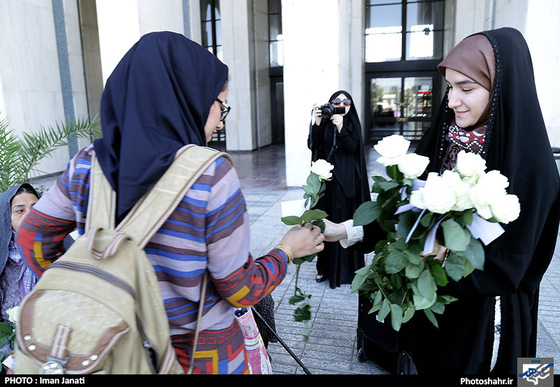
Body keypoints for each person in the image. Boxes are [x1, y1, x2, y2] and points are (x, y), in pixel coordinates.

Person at [17, 31, 325, 375]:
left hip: (111, 347)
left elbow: (33, 237)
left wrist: (93, 287)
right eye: (220, 104)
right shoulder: (211, 174)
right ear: (187, 98)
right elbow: (239, 289)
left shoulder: (87, 163)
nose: (222, 119)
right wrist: (287, 249)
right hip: (199, 357)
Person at [324, 28, 560, 375]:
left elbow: (513, 265)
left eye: (467, 88)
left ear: (501, 90)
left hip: (489, 326)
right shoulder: (444, 139)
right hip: (433, 310)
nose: (452, 101)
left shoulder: (533, 167)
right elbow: (402, 208)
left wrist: (446, 252)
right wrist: (345, 229)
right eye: (450, 87)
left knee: (513, 380)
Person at [308, 90, 370, 288]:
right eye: (336, 101)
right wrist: (316, 123)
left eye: (346, 102)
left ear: (351, 105)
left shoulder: (352, 123)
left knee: (344, 224)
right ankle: (324, 269)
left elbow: (354, 148)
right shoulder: (324, 123)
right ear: (330, 104)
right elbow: (314, 146)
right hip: (327, 183)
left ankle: (348, 272)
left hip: (347, 185)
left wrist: (342, 128)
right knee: (325, 223)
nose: (341, 105)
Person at [0, 184, 40, 362]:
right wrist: (9, 357)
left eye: (35, 208)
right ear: (6, 217)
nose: (29, 216)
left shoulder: (60, 247)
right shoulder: (2, 255)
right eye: (19, 210)